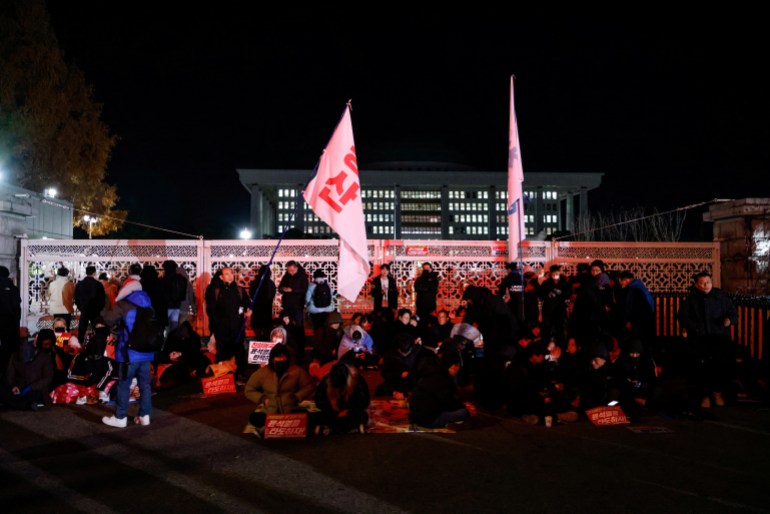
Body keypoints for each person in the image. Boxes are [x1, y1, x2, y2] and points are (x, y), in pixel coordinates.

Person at [678, 271, 738, 409]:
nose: (706, 285)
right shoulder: (691, 299)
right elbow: (683, 316)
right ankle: (704, 395)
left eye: (708, 282)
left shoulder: (721, 297)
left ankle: (717, 393)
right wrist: (693, 328)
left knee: (719, 366)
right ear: (697, 285)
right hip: (700, 339)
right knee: (702, 368)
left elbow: (733, 313)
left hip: (719, 337)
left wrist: (729, 320)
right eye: (703, 283)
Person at [100, 288, 157, 428]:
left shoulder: (123, 305)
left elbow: (108, 319)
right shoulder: (149, 304)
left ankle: (120, 417)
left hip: (129, 353)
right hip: (146, 352)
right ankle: (145, 415)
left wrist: (105, 306)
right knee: (145, 385)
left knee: (124, 385)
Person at [244, 343, 314, 438]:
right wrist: (262, 399)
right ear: (272, 359)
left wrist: (298, 396)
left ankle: (266, 428)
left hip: (290, 411)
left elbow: (309, 386)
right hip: (270, 413)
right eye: (278, 357)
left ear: (288, 358)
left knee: (310, 417)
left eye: (283, 357)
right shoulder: (263, 373)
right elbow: (249, 389)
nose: (281, 360)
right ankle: (266, 427)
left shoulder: (297, 371)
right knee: (254, 418)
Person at [409, 350, 471, 428]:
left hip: (414, 417)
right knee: (464, 412)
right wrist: (463, 406)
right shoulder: (443, 379)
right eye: (458, 366)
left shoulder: (432, 372)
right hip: (428, 420)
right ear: (454, 366)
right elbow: (448, 402)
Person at [206, 267, 251, 376]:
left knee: (239, 352)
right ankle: (223, 375)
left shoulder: (240, 290)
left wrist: (249, 311)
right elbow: (211, 310)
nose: (230, 275)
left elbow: (247, 304)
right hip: (222, 328)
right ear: (221, 277)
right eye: (226, 274)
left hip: (237, 327)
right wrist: (216, 328)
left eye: (231, 273)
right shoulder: (215, 291)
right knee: (222, 352)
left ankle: (240, 374)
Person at [0, 329, 54, 410]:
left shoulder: (45, 357)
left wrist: (30, 387)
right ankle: (24, 405)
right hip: (19, 388)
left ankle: (20, 405)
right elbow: (10, 375)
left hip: (35, 389)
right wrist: (14, 386)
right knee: (3, 391)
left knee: (36, 395)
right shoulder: (15, 356)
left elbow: (48, 378)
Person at [313, 360, 370, 435]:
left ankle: (337, 427)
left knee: (362, 415)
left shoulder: (357, 380)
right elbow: (319, 401)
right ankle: (342, 427)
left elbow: (364, 401)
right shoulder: (326, 381)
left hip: (350, 412)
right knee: (318, 415)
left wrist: (349, 410)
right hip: (333, 415)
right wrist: (331, 409)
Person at [618, 270, 655, 345]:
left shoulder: (632, 290)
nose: (621, 284)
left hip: (637, 323)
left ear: (626, 280)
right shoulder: (640, 286)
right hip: (645, 320)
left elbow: (630, 307)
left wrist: (629, 321)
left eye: (621, 281)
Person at [0, 265, 22, 378]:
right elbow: (17, 307)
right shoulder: (13, 288)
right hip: (11, 324)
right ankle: (10, 372)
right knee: (11, 350)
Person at [74, 265, 106, 340]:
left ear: (86, 272)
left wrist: (81, 308)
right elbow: (102, 299)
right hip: (95, 310)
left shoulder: (79, 284)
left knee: (82, 329)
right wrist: (99, 309)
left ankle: (80, 345)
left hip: (84, 309)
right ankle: (96, 346)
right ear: (94, 273)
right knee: (97, 330)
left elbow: (76, 299)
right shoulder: (98, 284)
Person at [278, 260, 308, 334]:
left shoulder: (302, 276)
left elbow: (304, 289)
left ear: (296, 268)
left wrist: (292, 290)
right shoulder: (286, 276)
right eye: (289, 270)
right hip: (287, 305)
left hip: (298, 305)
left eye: (292, 270)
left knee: (298, 325)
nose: (290, 272)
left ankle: (299, 344)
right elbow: (280, 287)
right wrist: (283, 289)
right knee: (286, 325)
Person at [248, 265, 277, 341]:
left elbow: (251, 294)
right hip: (266, 311)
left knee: (258, 332)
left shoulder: (255, 282)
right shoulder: (270, 283)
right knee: (266, 332)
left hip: (257, 311)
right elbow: (272, 295)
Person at [161, 260, 189, 332]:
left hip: (166, 307)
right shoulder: (181, 279)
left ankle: (167, 341)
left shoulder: (164, 279)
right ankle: (173, 341)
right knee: (174, 327)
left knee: (165, 328)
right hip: (176, 306)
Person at [47, 266, 75, 330]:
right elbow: (73, 296)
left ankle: (57, 339)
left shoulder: (52, 284)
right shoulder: (70, 284)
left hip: (55, 309)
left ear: (58, 274)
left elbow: (49, 294)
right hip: (67, 309)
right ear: (67, 274)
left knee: (57, 328)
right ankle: (65, 339)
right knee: (66, 328)